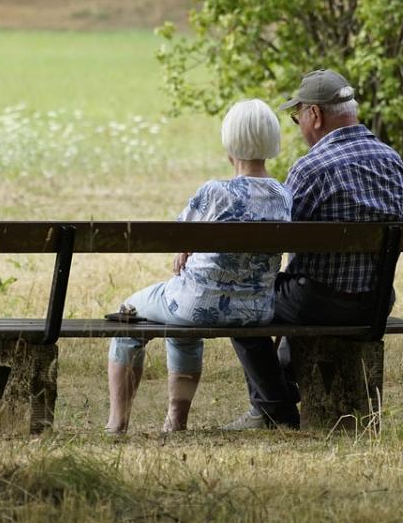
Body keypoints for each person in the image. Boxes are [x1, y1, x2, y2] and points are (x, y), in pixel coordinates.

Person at [225, 69, 403, 430]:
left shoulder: (311, 168)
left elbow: (277, 238)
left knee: (239, 301)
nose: (299, 127)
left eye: (297, 118)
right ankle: (280, 391)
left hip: (319, 303)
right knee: (296, 288)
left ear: (315, 114)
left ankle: (274, 408)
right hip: (376, 302)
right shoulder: (394, 162)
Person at [105, 98, 294, 434]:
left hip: (196, 305)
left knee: (128, 313)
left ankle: (117, 423)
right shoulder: (283, 195)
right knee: (180, 322)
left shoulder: (214, 192)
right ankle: (175, 421)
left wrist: (185, 249)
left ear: (230, 142)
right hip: (255, 311)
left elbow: (178, 240)